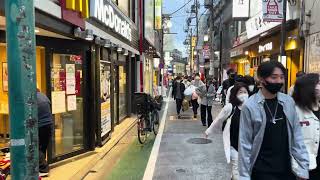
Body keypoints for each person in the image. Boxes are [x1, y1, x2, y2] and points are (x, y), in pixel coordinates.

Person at [238, 61, 309, 180]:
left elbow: (297, 136)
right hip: (261, 171)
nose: (279, 81)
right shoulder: (250, 106)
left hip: (287, 170)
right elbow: (245, 143)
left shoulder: (288, 102)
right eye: (274, 77)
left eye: (282, 77)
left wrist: (303, 167)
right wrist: (244, 176)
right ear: (261, 79)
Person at [205, 82, 249, 180]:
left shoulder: (251, 108)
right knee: (236, 168)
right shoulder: (230, 107)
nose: (243, 94)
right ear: (235, 95)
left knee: (245, 170)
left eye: (245, 92)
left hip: (247, 146)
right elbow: (218, 119)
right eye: (240, 92)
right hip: (234, 145)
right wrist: (209, 131)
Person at [292, 73, 320, 180]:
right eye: (318, 83)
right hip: (305, 167)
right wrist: (298, 170)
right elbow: (290, 142)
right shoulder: (295, 111)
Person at [37, 89, 54, 177]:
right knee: (42, 147)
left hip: (40, 126)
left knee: (37, 148)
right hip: (49, 125)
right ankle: (41, 166)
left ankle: (43, 169)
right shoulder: (43, 96)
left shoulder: (33, 98)